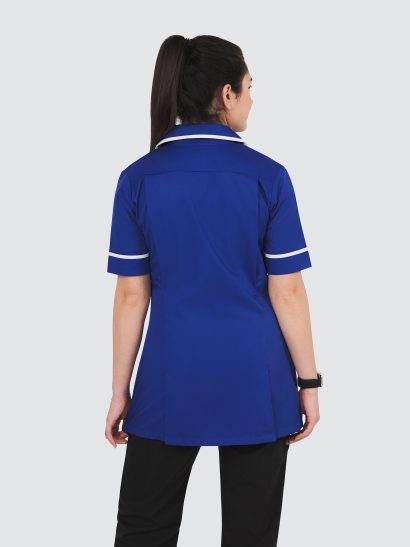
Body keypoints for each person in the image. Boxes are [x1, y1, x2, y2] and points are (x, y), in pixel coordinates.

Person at [105, 34, 322, 547]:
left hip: (168, 377)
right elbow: (288, 292)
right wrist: (309, 383)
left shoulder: (138, 179)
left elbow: (132, 296)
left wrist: (119, 390)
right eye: (249, 87)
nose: (251, 99)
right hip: (257, 377)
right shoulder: (269, 177)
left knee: (143, 529)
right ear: (227, 94)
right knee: (251, 535)